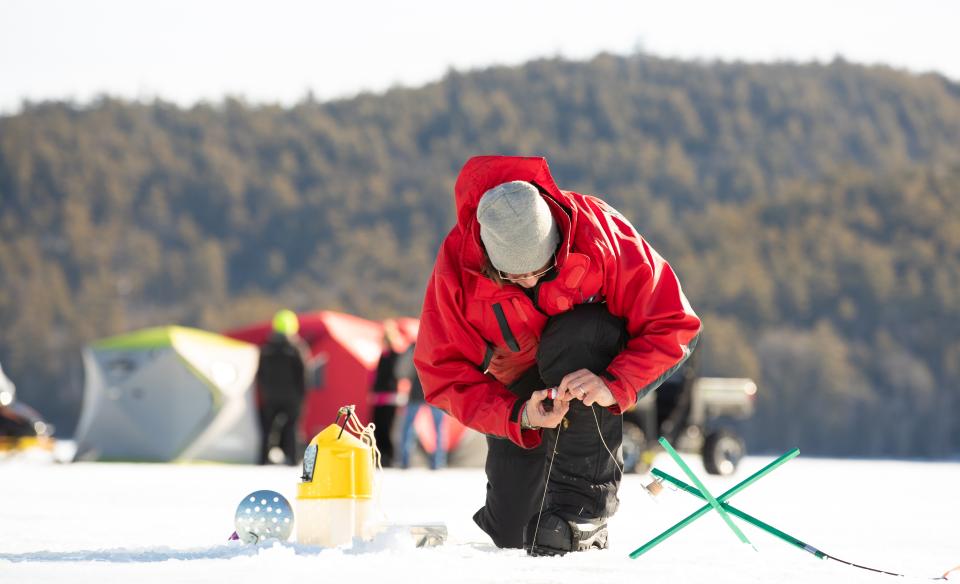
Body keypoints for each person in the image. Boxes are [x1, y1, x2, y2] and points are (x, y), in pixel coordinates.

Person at [414, 156, 701, 556]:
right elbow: (442, 374)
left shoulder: (600, 233)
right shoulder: (457, 268)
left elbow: (674, 322)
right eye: (512, 276)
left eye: (542, 268)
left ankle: (583, 513)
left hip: (588, 364)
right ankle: (537, 506)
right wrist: (520, 415)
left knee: (576, 332)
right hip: (519, 390)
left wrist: (613, 384)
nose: (530, 281)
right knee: (514, 536)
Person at [256, 309, 309, 465]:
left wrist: (265, 392)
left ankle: (262, 460)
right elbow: (303, 374)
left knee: (268, 430)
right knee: (292, 428)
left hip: (271, 397)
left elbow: (260, 374)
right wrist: (302, 396)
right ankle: (293, 460)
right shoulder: (297, 348)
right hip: (292, 397)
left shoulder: (266, 349)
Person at [396, 342, 446, 470]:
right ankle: (437, 462)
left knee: (408, 427)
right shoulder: (439, 343)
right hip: (435, 391)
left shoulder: (414, 345)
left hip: (417, 392)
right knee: (438, 428)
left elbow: (401, 369)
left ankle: (405, 461)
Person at [371, 319, 402, 467]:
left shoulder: (396, 355)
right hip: (379, 398)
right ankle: (380, 455)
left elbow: (395, 376)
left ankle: (389, 457)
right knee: (378, 428)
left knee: (388, 428)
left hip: (390, 397)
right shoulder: (382, 356)